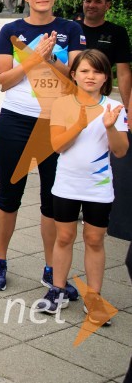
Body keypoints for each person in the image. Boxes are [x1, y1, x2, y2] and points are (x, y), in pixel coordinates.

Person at [0, 0, 85, 297]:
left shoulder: (70, 29)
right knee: (9, 194)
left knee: (53, 200)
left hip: (56, 123)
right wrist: (32, 60)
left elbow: (76, 81)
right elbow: (2, 80)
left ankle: (51, 269)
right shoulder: (11, 30)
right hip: (16, 121)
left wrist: (47, 61)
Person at [34, 50, 128, 320]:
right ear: (73, 74)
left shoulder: (113, 108)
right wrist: (78, 124)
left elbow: (121, 151)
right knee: (64, 237)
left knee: (95, 240)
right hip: (66, 185)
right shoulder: (63, 105)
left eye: (97, 71)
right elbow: (58, 146)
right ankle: (57, 290)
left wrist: (110, 127)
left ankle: (94, 296)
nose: (91, 76)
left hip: (98, 187)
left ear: (105, 77)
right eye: (84, 71)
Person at [78, 0, 131, 110]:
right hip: (69, 96)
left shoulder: (117, 32)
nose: (91, 5)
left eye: (98, 2)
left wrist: (128, 109)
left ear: (107, 5)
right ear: (83, 3)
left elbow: (123, 73)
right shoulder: (71, 28)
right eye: (88, 1)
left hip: (100, 99)